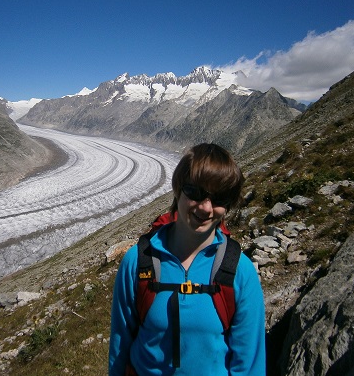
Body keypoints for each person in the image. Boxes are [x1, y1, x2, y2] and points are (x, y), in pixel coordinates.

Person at [109, 143, 265, 375]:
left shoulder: (239, 271)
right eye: (195, 192)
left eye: (220, 197)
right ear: (178, 189)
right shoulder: (139, 261)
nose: (206, 207)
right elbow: (119, 347)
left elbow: (249, 365)